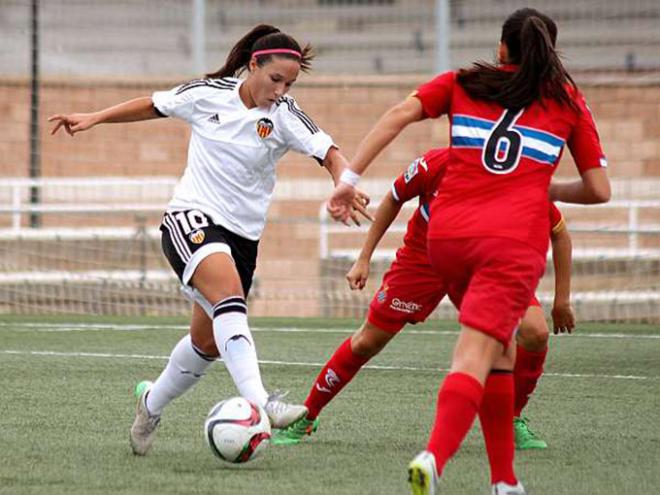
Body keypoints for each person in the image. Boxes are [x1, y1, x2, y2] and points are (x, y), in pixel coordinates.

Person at [49, 24, 371, 456]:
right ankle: (261, 403)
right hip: (190, 218)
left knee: (206, 344)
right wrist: (95, 118)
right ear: (253, 65)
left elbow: (330, 153)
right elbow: (152, 104)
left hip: (242, 240)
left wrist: (342, 182)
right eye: (275, 79)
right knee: (230, 300)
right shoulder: (209, 93)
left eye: (289, 83)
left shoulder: (285, 115)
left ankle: (151, 404)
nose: (280, 90)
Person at [326, 8, 610, 495]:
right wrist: (543, 185)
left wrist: (347, 180)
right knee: (476, 353)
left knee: (499, 351)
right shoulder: (566, 99)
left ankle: (504, 481)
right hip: (508, 243)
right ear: (549, 52)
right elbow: (599, 190)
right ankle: (433, 459)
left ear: (502, 49)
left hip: (447, 239)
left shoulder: (462, 81)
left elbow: (397, 115)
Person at [272, 148, 574, 449]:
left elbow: (559, 233)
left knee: (535, 332)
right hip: (423, 260)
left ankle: (511, 418)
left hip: (483, 262)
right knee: (368, 341)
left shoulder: (516, 177)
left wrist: (562, 301)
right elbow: (393, 198)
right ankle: (307, 414)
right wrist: (364, 257)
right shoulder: (435, 164)